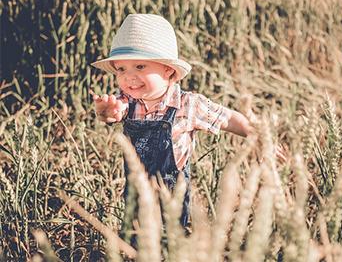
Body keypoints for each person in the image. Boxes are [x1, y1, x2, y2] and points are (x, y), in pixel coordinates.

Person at [90, 14, 287, 241]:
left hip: (173, 193)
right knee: (135, 237)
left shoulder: (189, 104)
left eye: (140, 66)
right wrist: (105, 112)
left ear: (169, 71)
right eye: (121, 69)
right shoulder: (127, 102)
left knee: (171, 238)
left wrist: (258, 137)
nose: (129, 77)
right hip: (136, 190)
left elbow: (228, 118)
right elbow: (114, 113)